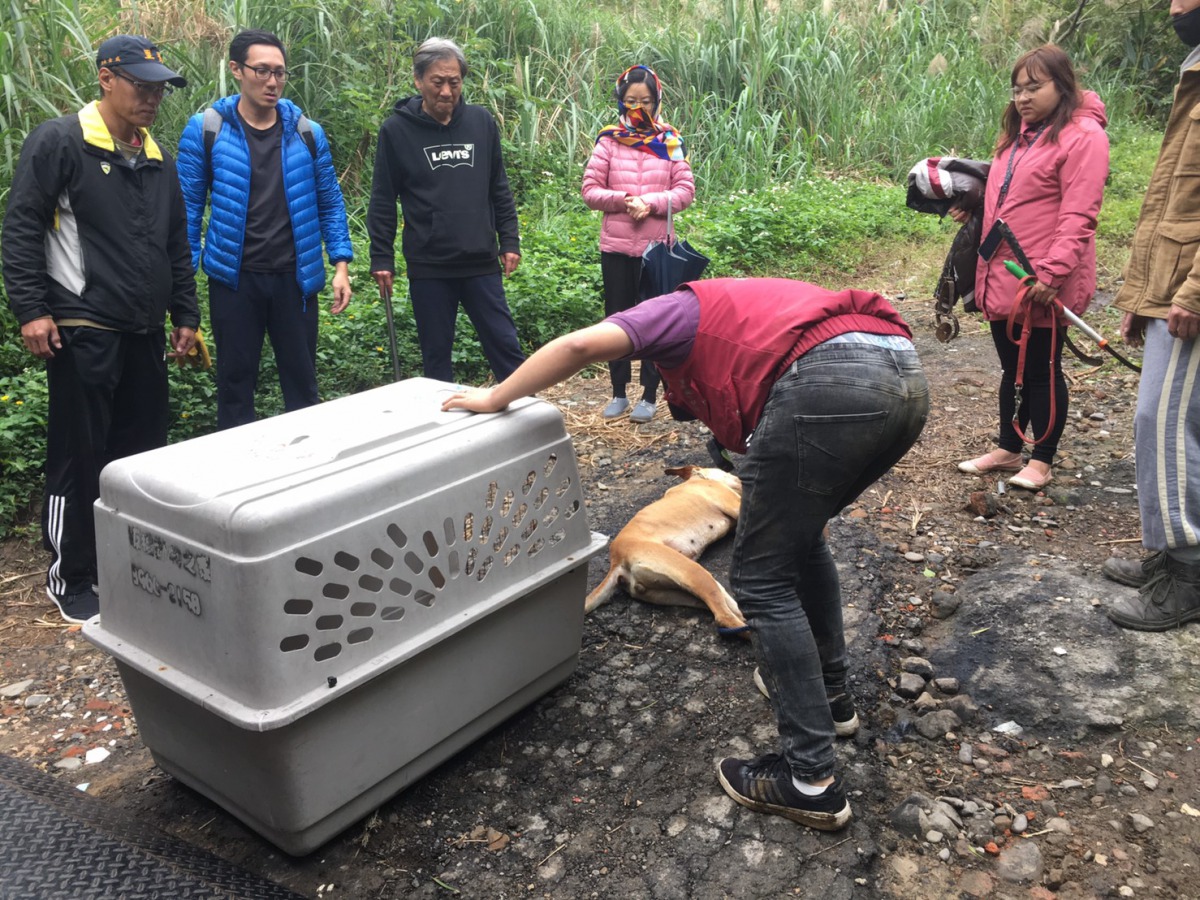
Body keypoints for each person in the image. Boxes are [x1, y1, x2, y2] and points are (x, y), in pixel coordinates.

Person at [441, 277, 929, 830]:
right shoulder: (758, 308)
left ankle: (809, 781)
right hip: (904, 376)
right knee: (802, 536)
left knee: (761, 581)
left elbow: (577, 346)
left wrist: (494, 397)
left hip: (828, 383)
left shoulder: (672, 310)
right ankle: (833, 697)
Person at [1, 35, 199, 623]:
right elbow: (21, 227)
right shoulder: (62, 142)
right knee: (79, 455)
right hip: (83, 325)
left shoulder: (156, 156)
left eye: (159, 87)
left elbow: (175, 244)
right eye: (142, 85)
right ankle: (73, 575)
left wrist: (185, 314)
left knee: (139, 456)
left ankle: (130, 567)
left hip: (144, 331)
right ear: (106, 79)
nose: (153, 97)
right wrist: (32, 310)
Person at [176, 29, 353, 430]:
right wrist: (182, 285)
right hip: (234, 281)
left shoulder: (306, 132)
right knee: (235, 387)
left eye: (280, 73)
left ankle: (306, 478)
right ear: (237, 70)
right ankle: (237, 482)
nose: (272, 82)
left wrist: (340, 263)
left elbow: (329, 200)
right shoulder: (207, 129)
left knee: (303, 388)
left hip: (296, 281)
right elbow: (185, 210)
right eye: (262, 71)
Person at [953, 45, 1108, 491]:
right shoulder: (1019, 136)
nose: (1023, 97)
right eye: (1017, 89)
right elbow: (1008, 195)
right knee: (1011, 367)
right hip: (1004, 272)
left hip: (1042, 277)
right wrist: (973, 205)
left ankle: (1042, 458)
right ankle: (1008, 447)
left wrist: (1053, 273)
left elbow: (1080, 214)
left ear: (1062, 85)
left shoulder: (1083, 137)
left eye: (1034, 87)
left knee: (1041, 367)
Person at [1101, 0, 1200, 631]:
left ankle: (1188, 571)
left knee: (1161, 423)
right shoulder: (1194, 66)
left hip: (1190, 284)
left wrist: (1193, 291)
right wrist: (1142, 297)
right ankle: (1172, 553)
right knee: (1175, 420)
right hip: (1173, 278)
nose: (1174, 7)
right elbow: (1173, 195)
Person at [367, 37, 525, 384]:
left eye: (454, 82)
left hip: (480, 260)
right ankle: (444, 429)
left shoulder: (481, 122)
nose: (446, 91)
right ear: (418, 80)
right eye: (437, 81)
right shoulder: (396, 131)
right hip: (429, 264)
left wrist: (509, 239)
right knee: (436, 356)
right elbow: (382, 199)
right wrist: (381, 257)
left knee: (504, 344)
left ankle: (526, 414)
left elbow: (498, 186)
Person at [582, 65, 695, 424]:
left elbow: (685, 191)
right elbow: (590, 190)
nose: (638, 108)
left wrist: (653, 204)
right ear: (620, 101)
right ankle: (618, 392)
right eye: (631, 100)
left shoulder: (671, 141)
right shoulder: (609, 141)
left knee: (654, 321)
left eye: (645, 101)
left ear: (656, 100)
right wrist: (624, 198)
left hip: (655, 249)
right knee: (616, 318)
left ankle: (648, 394)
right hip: (616, 247)